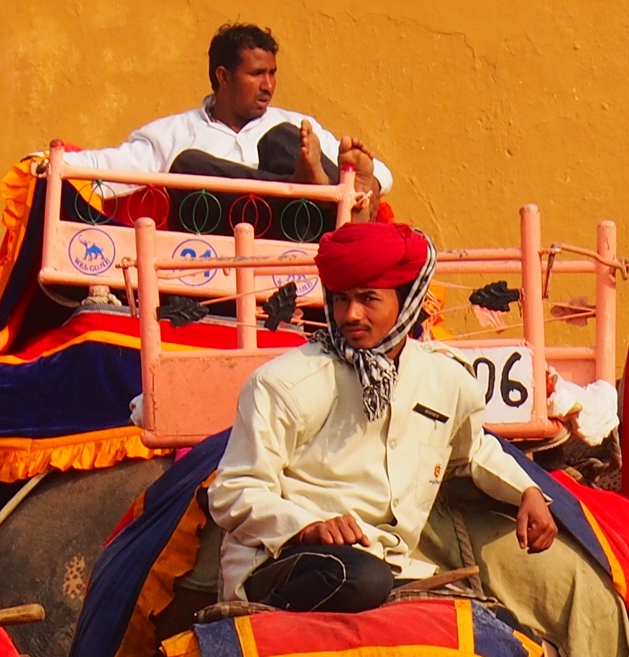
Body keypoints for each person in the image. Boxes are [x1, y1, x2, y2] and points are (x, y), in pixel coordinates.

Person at [205, 220, 556, 611]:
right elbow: (233, 491)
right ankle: (260, 619)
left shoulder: (448, 381)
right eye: (341, 299)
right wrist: (308, 527)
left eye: (368, 299)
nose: (351, 314)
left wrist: (527, 492)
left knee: (500, 627)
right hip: (286, 559)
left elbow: (471, 452)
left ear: (407, 303)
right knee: (362, 578)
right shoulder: (284, 383)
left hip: (392, 563)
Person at [62, 22, 387, 212]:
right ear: (223, 76)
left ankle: (322, 195)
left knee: (281, 139)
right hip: (222, 239)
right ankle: (299, 189)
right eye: (257, 74)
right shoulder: (172, 133)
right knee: (189, 165)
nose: (269, 85)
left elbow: (383, 174)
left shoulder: (299, 127)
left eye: (273, 73)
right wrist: (48, 163)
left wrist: (367, 182)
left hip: (301, 233)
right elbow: (111, 168)